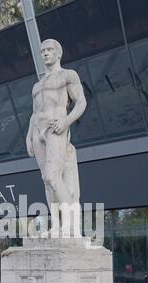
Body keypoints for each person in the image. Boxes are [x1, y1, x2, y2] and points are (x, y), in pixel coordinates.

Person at [26, 39, 87, 236]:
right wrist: (28, 136)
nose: (45, 53)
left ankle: (70, 225)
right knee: (46, 179)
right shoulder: (37, 85)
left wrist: (66, 121)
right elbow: (34, 113)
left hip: (56, 127)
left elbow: (81, 103)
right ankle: (56, 225)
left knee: (54, 176)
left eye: (49, 50)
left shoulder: (68, 75)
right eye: (43, 50)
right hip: (37, 130)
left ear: (58, 53)